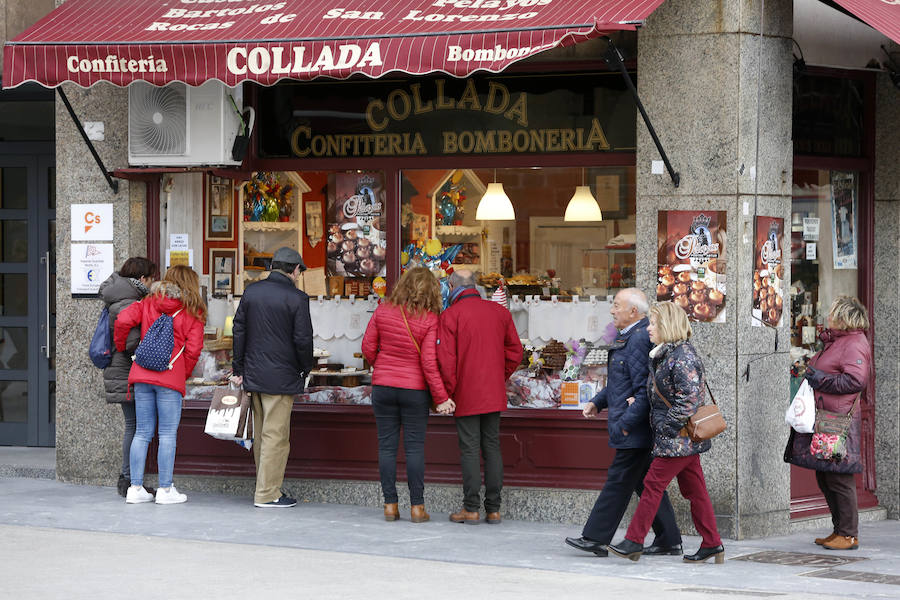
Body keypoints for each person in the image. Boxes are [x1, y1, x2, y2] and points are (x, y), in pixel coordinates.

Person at [565, 289, 681, 557]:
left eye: (617, 305)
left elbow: (643, 390)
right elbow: (621, 381)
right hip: (632, 425)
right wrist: (598, 402)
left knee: (618, 481)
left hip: (634, 428)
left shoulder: (639, 338)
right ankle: (669, 539)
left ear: (633, 311)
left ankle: (595, 538)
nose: (612, 310)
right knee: (645, 482)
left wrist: (625, 424)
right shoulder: (631, 336)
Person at [609, 301, 724, 563]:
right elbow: (670, 393)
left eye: (653, 323)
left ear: (667, 325)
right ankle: (712, 543)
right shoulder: (667, 354)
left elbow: (689, 400)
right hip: (681, 440)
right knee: (696, 492)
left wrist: (666, 427)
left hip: (677, 439)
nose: (649, 328)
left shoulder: (682, 357)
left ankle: (634, 540)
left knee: (652, 485)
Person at [361, 267, 456, 523]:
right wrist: (441, 397)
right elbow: (428, 363)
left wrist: (381, 366)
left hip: (383, 387)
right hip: (414, 391)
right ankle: (417, 507)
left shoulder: (382, 310)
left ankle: (390, 506)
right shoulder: (430, 319)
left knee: (386, 447)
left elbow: (367, 347)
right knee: (414, 449)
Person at [437, 269, 522, 525]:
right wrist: (499, 375)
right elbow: (515, 352)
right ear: (475, 285)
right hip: (492, 390)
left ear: (452, 286)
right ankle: (493, 509)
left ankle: (471, 508)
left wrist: (448, 392)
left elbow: (446, 361)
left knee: (470, 449)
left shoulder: (450, 315)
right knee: (492, 446)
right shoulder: (499, 312)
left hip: (466, 391)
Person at [231, 247, 314, 508]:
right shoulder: (297, 298)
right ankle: (267, 494)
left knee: (262, 436)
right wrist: (305, 369)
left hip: (254, 374)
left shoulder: (252, 292)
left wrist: (238, 368)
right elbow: (303, 340)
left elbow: (238, 330)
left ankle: (266, 487)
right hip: (282, 377)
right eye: (300, 272)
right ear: (295, 270)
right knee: (275, 437)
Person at [114, 265, 205, 505]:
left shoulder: (149, 301)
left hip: (142, 374)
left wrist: (122, 347)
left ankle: (135, 488)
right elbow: (193, 350)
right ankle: (165, 489)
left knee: (142, 432)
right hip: (169, 377)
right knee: (167, 434)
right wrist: (181, 374)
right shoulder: (193, 311)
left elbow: (122, 319)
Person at [787, 296, 871, 550]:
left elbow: (856, 380)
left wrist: (818, 378)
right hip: (825, 417)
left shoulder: (854, 343)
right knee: (825, 475)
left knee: (838, 477)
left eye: (833, 314)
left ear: (844, 319)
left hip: (837, 421)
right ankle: (839, 530)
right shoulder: (838, 341)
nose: (828, 316)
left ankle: (848, 534)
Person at [99, 257, 158, 498]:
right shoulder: (127, 301)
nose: (153, 283)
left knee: (134, 426)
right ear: (142, 279)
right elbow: (130, 342)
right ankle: (130, 481)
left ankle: (130, 479)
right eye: (151, 278)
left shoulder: (120, 296)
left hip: (122, 370)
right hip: (126, 371)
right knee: (136, 426)